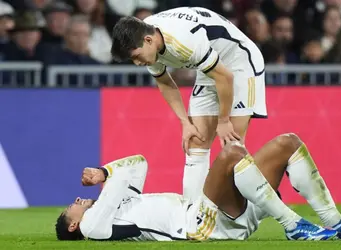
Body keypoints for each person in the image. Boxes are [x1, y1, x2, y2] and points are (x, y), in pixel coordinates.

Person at [55, 133, 341, 241]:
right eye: (74, 204)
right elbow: (120, 179)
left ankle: (336, 223)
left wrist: (103, 170)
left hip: (210, 212)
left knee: (287, 143)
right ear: (73, 225)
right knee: (233, 153)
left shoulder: (117, 205)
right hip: (198, 227)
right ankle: (293, 226)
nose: (80, 198)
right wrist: (106, 177)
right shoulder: (95, 228)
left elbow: (138, 163)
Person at [110, 7, 267, 203]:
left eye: (136, 56)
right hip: (209, 65)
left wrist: (223, 120)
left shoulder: (182, 42)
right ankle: (192, 217)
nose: (137, 63)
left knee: (232, 148)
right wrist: (185, 122)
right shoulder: (145, 35)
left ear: (148, 40)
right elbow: (165, 82)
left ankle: (262, 207)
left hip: (239, 62)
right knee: (195, 142)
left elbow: (225, 76)